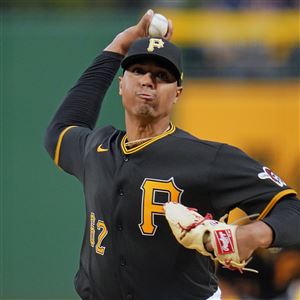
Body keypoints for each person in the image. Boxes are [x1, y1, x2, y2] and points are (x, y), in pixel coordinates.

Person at [44, 9, 300, 300]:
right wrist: (116, 48)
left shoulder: (206, 159)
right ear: (120, 85)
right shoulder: (96, 149)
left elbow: (294, 211)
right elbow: (60, 131)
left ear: (177, 92)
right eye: (138, 70)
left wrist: (252, 236)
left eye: (161, 75)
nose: (147, 80)